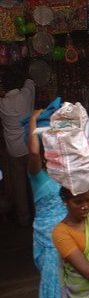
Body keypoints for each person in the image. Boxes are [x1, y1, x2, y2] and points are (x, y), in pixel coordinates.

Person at [27, 108, 74, 298]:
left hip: (69, 237)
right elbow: (33, 153)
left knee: (72, 289)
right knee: (52, 292)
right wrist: (34, 122)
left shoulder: (65, 173)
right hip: (47, 241)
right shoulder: (36, 173)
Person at [0, 71, 35, 226]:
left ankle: (23, 218)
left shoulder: (2, 104)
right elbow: (30, 81)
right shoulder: (25, 95)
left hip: (13, 150)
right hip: (29, 146)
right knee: (35, 181)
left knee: (19, 185)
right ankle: (40, 214)